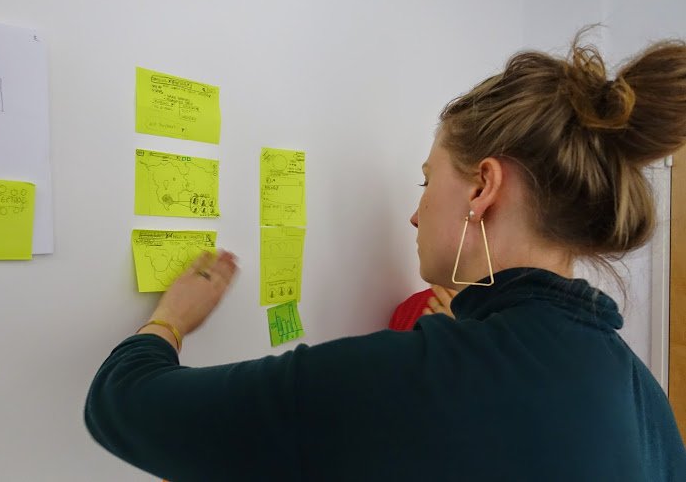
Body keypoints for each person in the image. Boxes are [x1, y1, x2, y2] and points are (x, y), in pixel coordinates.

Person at [85, 33, 686, 481]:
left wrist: (169, 322)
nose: (415, 215)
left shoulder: (422, 378)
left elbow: (123, 405)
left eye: (428, 182)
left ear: (482, 188)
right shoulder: (643, 398)